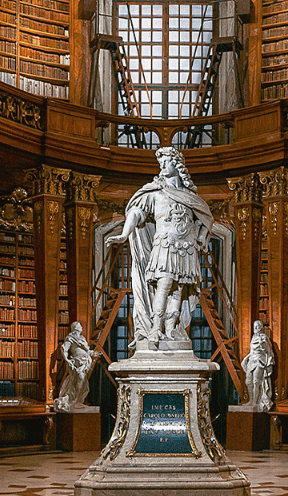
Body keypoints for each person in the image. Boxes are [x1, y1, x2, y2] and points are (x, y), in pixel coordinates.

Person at [105, 147, 213, 350]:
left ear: (177, 165)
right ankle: (155, 328)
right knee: (163, 285)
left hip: (186, 248)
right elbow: (137, 212)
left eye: (166, 161)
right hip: (165, 244)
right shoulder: (154, 192)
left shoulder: (189, 197)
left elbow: (205, 218)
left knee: (178, 290)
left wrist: (201, 237)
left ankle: (171, 329)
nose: (162, 165)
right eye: (161, 162)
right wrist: (124, 233)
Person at [55, 321, 99, 411]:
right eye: (80, 326)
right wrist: (67, 360)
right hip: (76, 363)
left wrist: (93, 353)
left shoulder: (82, 338)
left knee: (81, 381)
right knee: (80, 379)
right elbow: (64, 349)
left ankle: (77, 400)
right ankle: (76, 400)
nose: (82, 327)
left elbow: (86, 351)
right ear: (75, 328)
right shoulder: (71, 338)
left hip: (84, 362)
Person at [241, 319, 275, 411]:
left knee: (256, 381)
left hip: (260, 361)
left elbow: (266, 350)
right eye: (254, 327)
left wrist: (262, 342)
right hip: (252, 360)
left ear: (261, 328)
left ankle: (255, 402)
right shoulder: (253, 337)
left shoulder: (264, 337)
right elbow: (252, 351)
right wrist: (246, 358)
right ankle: (251, 400)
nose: (256, 328)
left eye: (257, 326)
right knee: (248, 381)